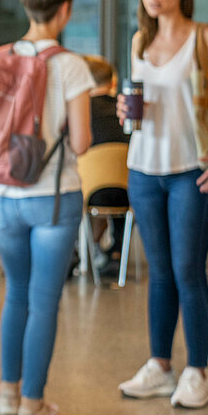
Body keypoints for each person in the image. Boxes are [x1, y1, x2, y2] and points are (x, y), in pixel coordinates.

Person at [0, 0, 92, 415]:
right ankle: (33, 407)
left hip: (1, 195)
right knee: (44, 301)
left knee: (16, 294)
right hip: (52, 199)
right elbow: (81, 143)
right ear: (64, 10)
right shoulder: (71, 66)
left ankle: (8, 392)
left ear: (27, 6)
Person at [115, 0, 208, 409]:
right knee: (158, 274)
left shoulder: (205, 38)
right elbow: (136, 103)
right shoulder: (140, 41)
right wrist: (122, 110)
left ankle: (197, 370)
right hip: (143, 169)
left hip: (191, 171)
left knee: (188, 272)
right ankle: (159, 365)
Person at [82, 55, 130, 280]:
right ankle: (117, 252)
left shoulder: (80, 112)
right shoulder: (126, 112)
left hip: (88, 194)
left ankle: (76, 253)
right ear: (113, 82)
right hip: (128, 195)